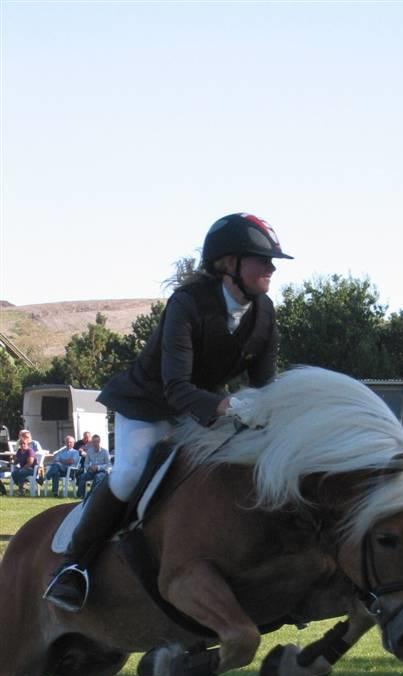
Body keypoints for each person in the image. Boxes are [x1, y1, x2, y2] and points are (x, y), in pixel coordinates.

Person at [43, 211, 292, 611]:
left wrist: (271, 415)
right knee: (129, 472)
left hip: (198, 410)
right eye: (261, 259)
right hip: (147, 405)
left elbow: (264, 385)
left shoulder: (264, 312)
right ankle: (74, 567)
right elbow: (176, 386)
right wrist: (228, 405)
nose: (271, 268)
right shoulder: (188, 304)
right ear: (229, 264)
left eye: (272, 261)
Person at [10, 430, 37, 495]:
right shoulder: (19, 451)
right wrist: (12, 462)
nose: (22, 445)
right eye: (21, 444)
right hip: (23, 469)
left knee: (21, 472)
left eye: (24, 443)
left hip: (31, 469)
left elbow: (30, 463)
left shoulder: (29, 451)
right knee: (14, 473)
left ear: (27, 444)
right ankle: (23, 488)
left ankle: (21, 490)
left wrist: (22, 469)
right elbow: (16, 461)